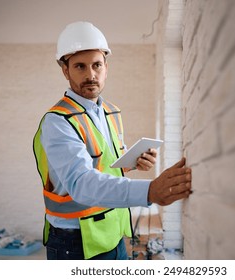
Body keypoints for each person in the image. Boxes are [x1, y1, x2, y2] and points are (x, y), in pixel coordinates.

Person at [33, 21, 192, 260]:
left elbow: (105, 160)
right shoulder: (58, 122)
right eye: (79, 66)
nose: (90, 75)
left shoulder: (109, 111)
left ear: (106, 67)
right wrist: (149, 191)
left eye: (97, 65)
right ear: (65, 71)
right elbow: (81, 183)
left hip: (114, 230)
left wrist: (133, 161)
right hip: (75, 240)